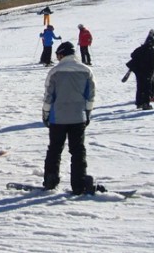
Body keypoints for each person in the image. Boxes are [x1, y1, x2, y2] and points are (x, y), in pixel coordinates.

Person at [41, 41, 96, 195]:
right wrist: (87, 113)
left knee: (54, 150)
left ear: (61, 54)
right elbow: (90, 96)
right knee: (78, 151)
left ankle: (50, 181)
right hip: (78, 117)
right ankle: (79, 184)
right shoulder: (86, 71)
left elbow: (48, 96)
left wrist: (45, 114)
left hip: (57, 117)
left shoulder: (55, 71)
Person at [126, 36, 154, 110]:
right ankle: (146, 104)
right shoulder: (151, 51)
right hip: (147, 72)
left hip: (138, 71)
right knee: (146, 88)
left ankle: (139, 103)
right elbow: (153, 64)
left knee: (140, 87)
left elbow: (132, 55)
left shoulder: (140, 49)